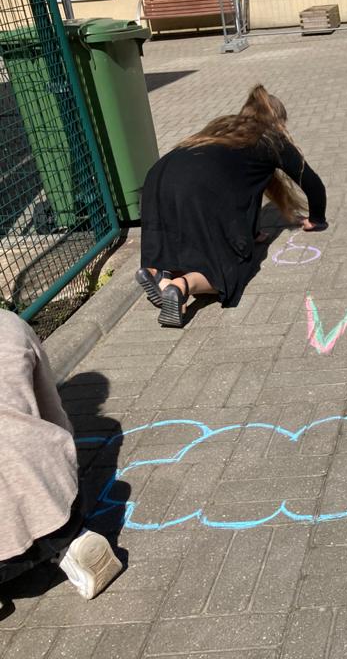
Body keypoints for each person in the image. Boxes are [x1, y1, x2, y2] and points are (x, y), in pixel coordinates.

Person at [136, 85, 328, 327]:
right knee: (226, 270)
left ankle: (157, 274)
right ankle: (181, 286)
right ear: (279, 122)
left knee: (179, 242)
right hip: (199, 186)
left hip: (158, 177)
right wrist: (317, 218)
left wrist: (254, 232)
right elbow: (311, 182)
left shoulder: (224, 125)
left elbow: (248, 186)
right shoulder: (271, 139)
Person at [0, 310, 122, 600]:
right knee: (46, 465)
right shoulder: (9, 324)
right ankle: (72, 541)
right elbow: (53, 414)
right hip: (54, 505)